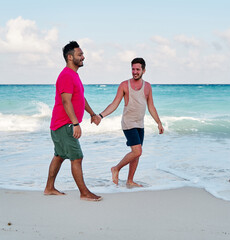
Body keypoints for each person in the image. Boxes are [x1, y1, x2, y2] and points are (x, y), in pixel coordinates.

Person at [44, 41, 102, 201]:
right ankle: (84, 193)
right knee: (77, 157)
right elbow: (66, 101)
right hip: (65, 125)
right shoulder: (66, 75)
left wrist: (92, 113)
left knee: (59, 156)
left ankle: (49, 188)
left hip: (61, 124)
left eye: (82, 54)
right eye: (80, 54)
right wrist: (75, 124)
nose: (83, 57)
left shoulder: (73, 75)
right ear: (70, 57)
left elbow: (80, 98)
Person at [98, 58, 164, 187]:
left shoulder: (147, 87)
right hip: (128, 123)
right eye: (133, 69)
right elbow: (114, 104)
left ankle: (130, 180)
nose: (135, 72)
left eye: (138, 69)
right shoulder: (124, 85)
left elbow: (151, 107)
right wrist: (101, 115)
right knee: (137, 151)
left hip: (140, 123)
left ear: (143, 71)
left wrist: (159, 123)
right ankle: (116, 168)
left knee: (136, 154)